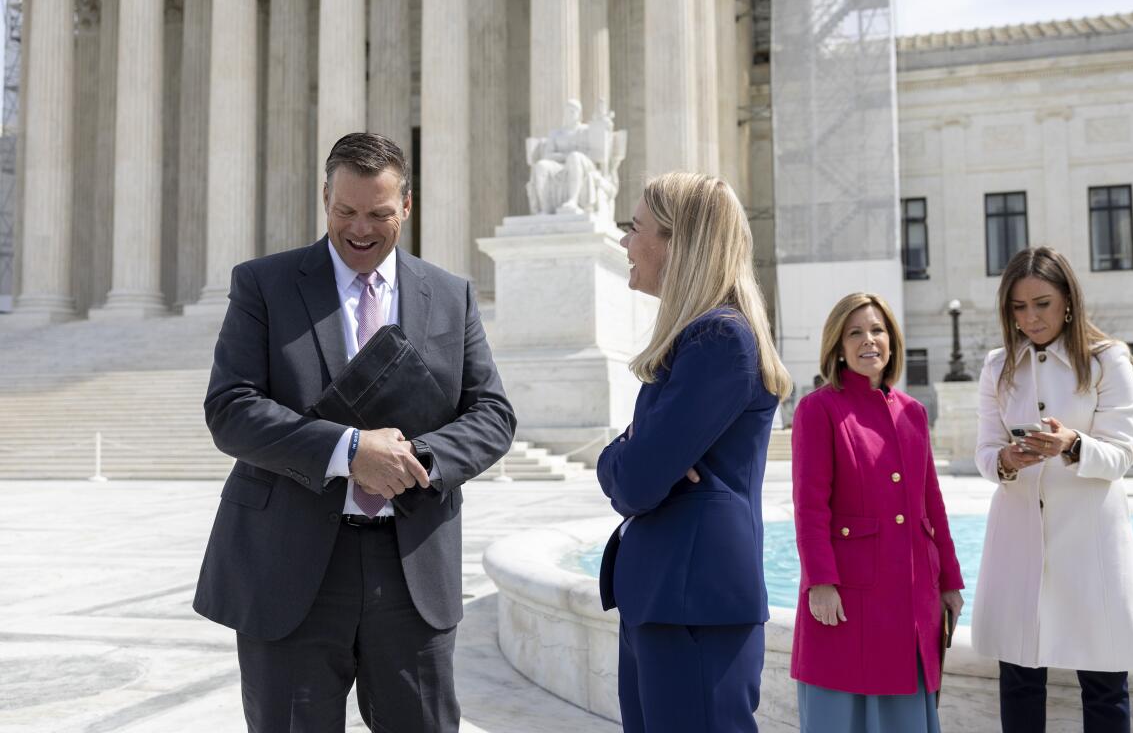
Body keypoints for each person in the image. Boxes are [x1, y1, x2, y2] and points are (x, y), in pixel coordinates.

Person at [193, 132, 516, 732]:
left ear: (407, 207)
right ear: (324, 199)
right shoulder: (265, 284)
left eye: (379, 214)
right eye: (345, 211)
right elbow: (231, 408)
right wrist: (349, 452)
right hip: (289, 568)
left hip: (412, 568)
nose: (360, 229)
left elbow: (492, 413)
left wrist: (413, 458)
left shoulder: (450, 295)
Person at [596, 172, 792, 732]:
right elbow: (639, 468)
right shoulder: (698, 339)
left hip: (692, 607)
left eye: (636, 228)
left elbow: (633, 482)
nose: (625, 243)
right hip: (667, 601)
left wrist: (627, 453)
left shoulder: (719, 340)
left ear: (679, 243)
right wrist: (634, 451)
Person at [972, 246, 1133, 733]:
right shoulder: (997, 366)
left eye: (1042, 303)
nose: (1030, 318)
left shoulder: (1107, 360)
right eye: (1018, 307)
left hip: (1091, 541)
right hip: (1018, 537)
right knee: (1019, 676)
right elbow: (985, 452)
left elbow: (1121, 454)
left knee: (1104, 682)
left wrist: (1072, 444)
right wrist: (1007, 461)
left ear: (1068, 301)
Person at [791, 292, 964, 733]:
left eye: (877, 330)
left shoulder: (914, 413)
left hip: (913, 593)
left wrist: (949, 582)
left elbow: (933, 505)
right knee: (839, 711)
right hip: (847, 594)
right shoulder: (819, 409)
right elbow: (810, 506)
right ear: (838, 346)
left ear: (892, 341)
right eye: (855, 332)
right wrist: (821, 582)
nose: (869, 340)